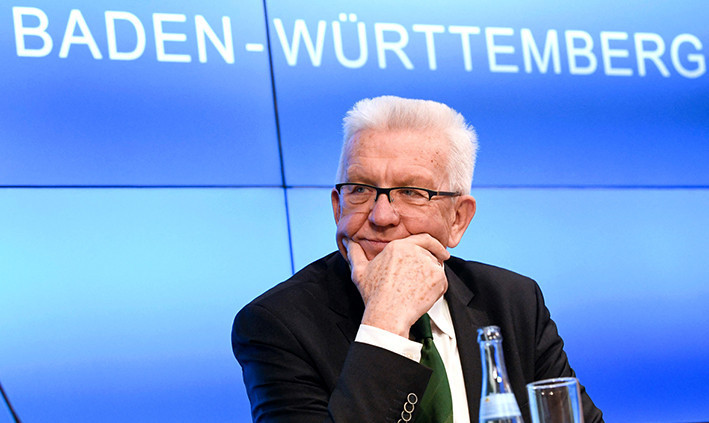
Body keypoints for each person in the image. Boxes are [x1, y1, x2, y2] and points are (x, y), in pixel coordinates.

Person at [232, 96, 603, 422]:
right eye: (360, 189)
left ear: (458, 219)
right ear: (337, 207)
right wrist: (386, 324)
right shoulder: (277, 324)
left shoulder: (513, 302)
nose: (381, 216)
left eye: (411, 192)